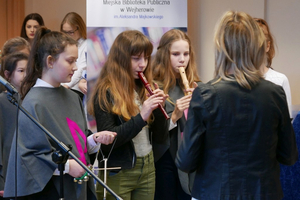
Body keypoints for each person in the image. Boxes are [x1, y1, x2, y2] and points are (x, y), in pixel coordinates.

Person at [175, 11, 298, 200]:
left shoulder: (206, 95)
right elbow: (288, 155)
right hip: (264, 193)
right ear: (257, 46)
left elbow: (186, 161)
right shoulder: (275, 93)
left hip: (215, 192)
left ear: (220, 48)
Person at [3, 27, 117, 200]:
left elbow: (74, 141)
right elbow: (30, 157)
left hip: (78, 186)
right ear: (50, 61)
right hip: (53, 191)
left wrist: (93, 140)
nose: (75, 67)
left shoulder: (73, 97)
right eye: (70, 61)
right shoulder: (34, 102)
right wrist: (68, 166)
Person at [88, 30, 169, 200]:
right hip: (118, 172)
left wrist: (160, 111)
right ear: (121, 58)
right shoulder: (105, 91)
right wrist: (142, 116)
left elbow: (161, 137)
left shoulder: (145, 86)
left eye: (146, 58)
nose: (143, 65)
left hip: (147, 167)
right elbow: (109, 142)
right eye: (136, 58)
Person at [151, 29, 201, 200]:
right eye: (176, 54)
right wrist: (174, 116)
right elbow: (152, 132)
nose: (182, 59)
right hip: (166, 160)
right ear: (165, 55)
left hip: (190, 158)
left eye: (186, 54)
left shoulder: (196, 85)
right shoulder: (155, 87)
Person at [0, 52, 28, 199]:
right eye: (21, 71)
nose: (26, 75)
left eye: (28, 70)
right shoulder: (2, 102)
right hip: (8, 170)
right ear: (7, 74)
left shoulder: (32, 99)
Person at [254, 17, 292, 117]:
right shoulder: (237, 79)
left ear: (267, 46)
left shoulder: (280, 80)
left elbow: (287, 120)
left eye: (258, 43)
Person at [61, 12, 87, 101]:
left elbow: (80, 69)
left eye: (71, 32)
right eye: (65, 32)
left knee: (68, 115)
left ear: (79, 29)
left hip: (75, 90)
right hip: (63, 87)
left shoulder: (86, 45)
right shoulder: (64, 45)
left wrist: (66, 86)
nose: (67, 35)